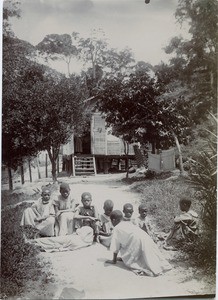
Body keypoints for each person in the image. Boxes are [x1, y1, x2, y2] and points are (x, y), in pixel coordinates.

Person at [105, 210, 172, 276]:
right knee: (150, 255)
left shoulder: (117, 228)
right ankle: (159, 266)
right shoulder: (127, 223)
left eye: (111, 221)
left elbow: (116, 246)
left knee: (137, 261)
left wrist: (114, 260)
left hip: (137, 240)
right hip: (144, 236)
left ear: (113, 220)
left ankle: (150, 269)